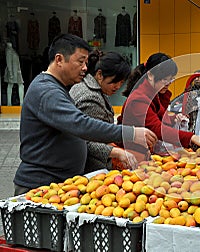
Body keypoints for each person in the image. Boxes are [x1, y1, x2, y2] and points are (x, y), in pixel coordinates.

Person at [13, 34, 157, 195]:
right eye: (80, 61)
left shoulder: (58, 88)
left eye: (86, 63)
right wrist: (130, 133)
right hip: (40, 185)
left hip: (59, 184)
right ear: (59, 59)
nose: (85, 68)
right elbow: (81, 124)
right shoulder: (46, 91)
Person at [118, 52, 200, 154]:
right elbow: (157, 128)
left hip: (146, 150)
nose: (168, 84)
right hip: (130, 153)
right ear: (150, 75)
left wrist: (175, 119)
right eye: (164, 80)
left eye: (170, 79)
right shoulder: (138, 100)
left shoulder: (156, 94)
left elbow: (158, 118)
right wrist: (191, 138)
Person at [69, 50, 135, 173]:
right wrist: (117, 152)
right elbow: (86, 141)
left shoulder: (87, 87)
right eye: (115, 82)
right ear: (100, 75)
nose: (118, 87)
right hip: (90, 169)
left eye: (121, 83)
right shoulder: (90, 97)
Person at [5, 41, 24, 106]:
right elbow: (9, 63)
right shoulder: (9, 51)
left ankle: (20, 102)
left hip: (16, 71)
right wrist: (10, 73)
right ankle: (9, 103)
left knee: (18, 85)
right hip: (13, 72)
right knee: (11, 85)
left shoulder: (12, 51)